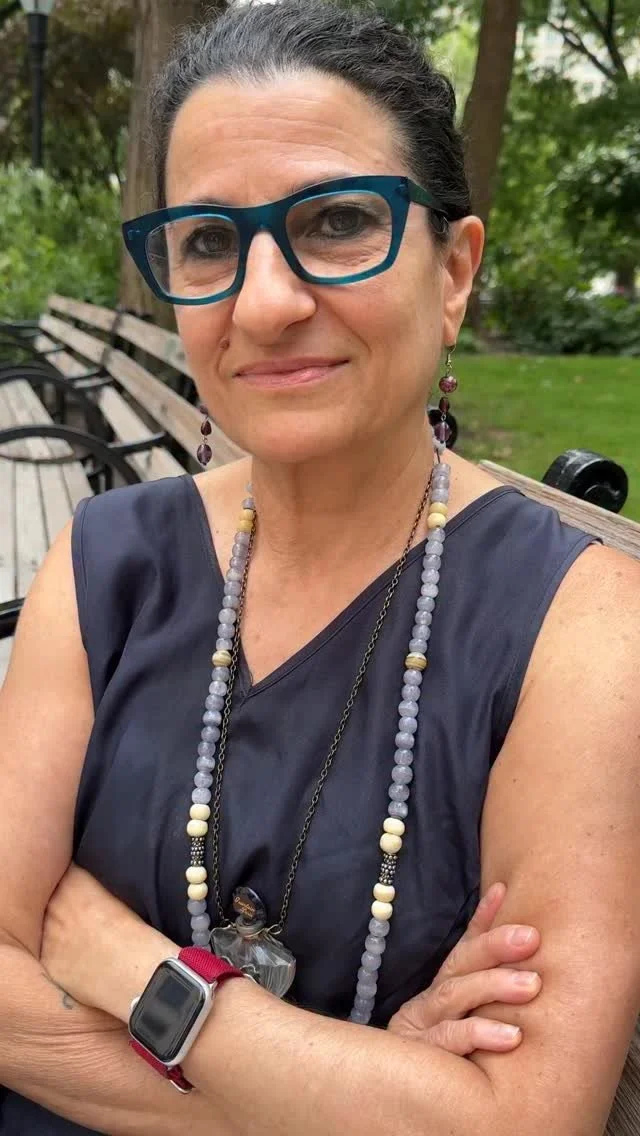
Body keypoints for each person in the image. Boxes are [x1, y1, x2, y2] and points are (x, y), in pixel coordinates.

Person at [1, 1, 639, 1132]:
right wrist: (343, 1092)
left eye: (338, 221)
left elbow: (523, 1118)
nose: (264, 302)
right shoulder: (106, 564)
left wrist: (128, 964)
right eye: (209, 240)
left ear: (454, 271)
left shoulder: (582, 631)